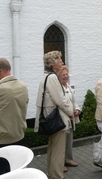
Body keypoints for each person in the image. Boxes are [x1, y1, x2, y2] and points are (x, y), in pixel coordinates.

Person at [34, 51, 74, 179]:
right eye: (59, 60)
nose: (62, 62)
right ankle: (56, 176)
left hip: (51, 118)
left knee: (52, 148)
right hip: (58, 119)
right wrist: (71, 112)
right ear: (53, 64)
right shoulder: (52, 78)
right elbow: (60, 100)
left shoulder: (46, 76)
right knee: (58, 151)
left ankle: (51, 174)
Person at [58, 65, 81, 172]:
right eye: (63, 75)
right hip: (62, 119)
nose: (66, 76)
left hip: (71, 118)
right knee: (61, 142)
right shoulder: (58, 88)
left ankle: (68, 159)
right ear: (58, 76)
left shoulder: (68, 87)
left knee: (69, 140)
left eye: (67, 74)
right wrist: (70, 112)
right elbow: (61, 104)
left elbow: (73, 102)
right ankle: (60, 163)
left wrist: (77, 109)